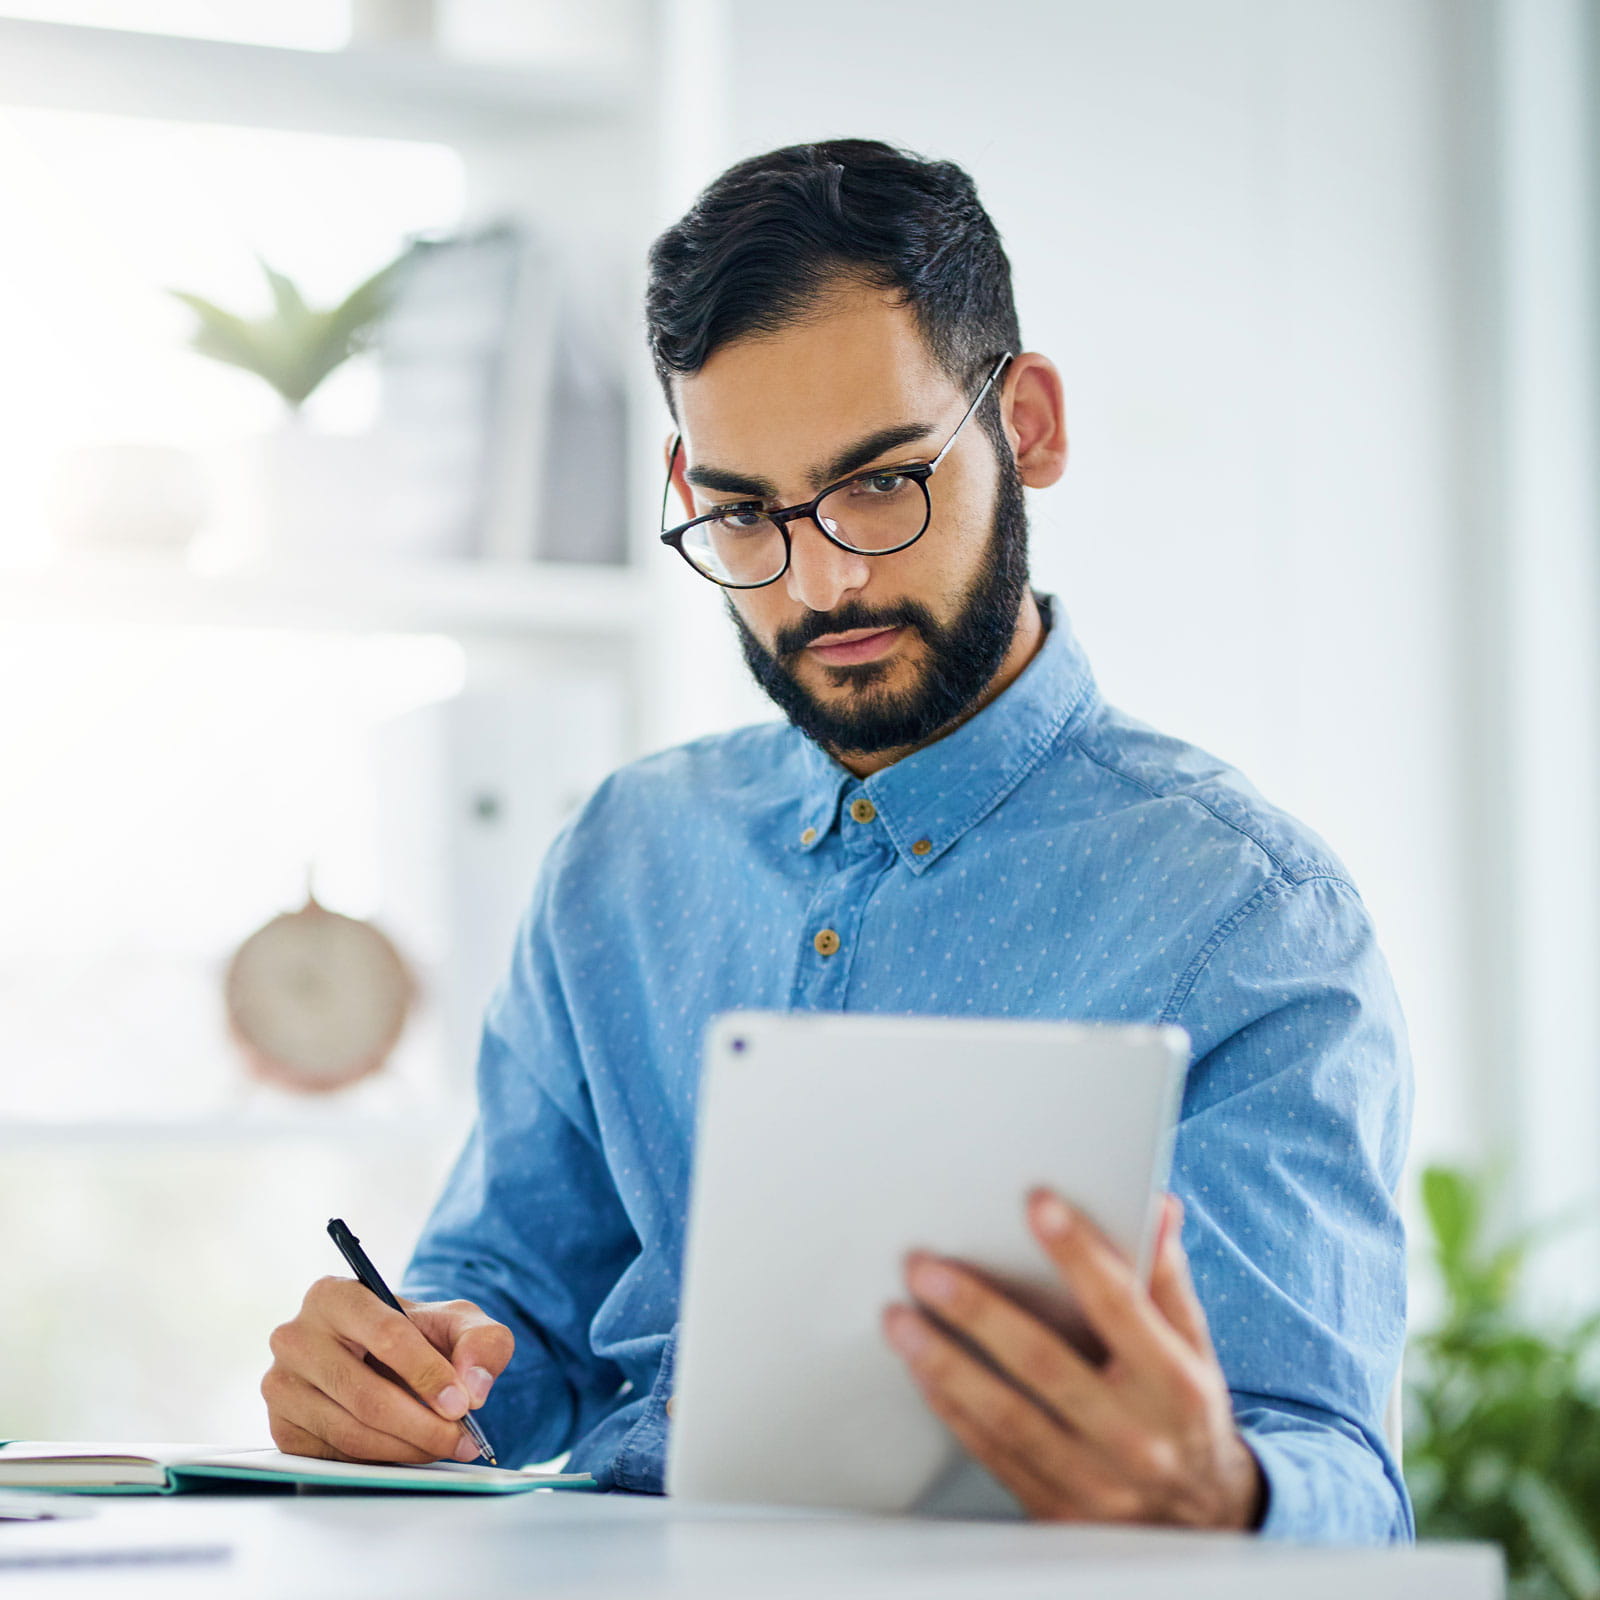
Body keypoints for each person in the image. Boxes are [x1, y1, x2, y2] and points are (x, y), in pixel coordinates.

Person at [261, 139, 1412, 1541]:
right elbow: (503, 1324)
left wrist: (1225, 1496)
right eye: (747, 512)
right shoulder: (622, 858)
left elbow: (1341, 1478)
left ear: (1028, 425)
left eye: (880, 483)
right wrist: (397, 1380)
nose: (825, 579)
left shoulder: (1250, 919)